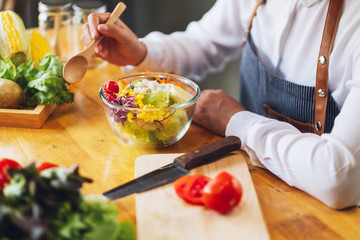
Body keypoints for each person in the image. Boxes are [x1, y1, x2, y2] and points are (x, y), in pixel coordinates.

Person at [81, 0, 360, 209]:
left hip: (320, 215)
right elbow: (205, 41)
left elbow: (338, 175)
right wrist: (142, 52)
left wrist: (236, 122)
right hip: (249, 188)